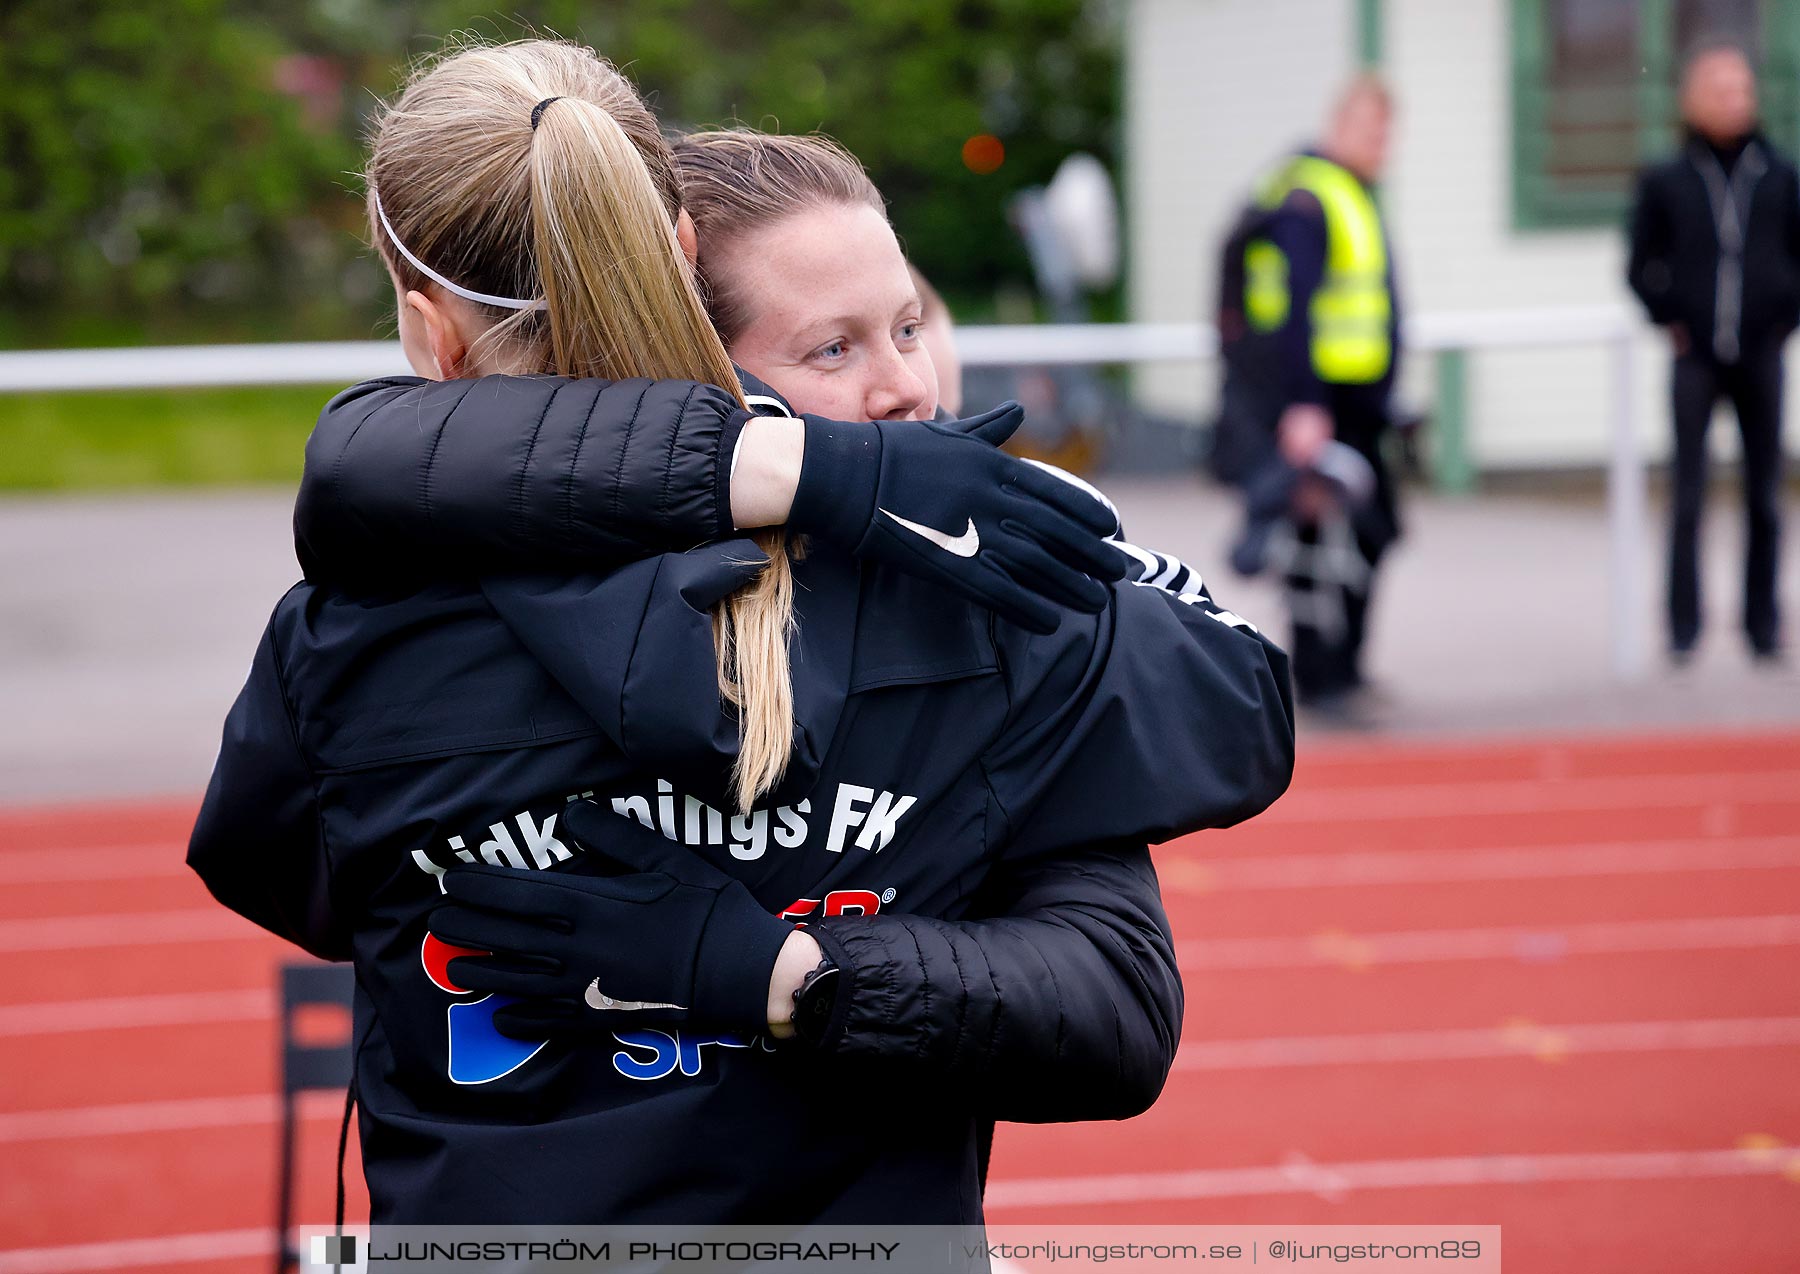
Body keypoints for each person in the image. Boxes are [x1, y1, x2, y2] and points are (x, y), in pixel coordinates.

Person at [189, 40, 1294, 1226]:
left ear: (429, 333)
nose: (909, 395)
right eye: (834, 347)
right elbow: (1232, 718)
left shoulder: (338, 642)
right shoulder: (972, 616)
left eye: (909, 323)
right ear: (676, 273)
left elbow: (286, 875)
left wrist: (760, 965)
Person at [1211, 76, 1402, 711]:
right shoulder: (1312, 196)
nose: (1383, 144)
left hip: (1351, 401)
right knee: (1328, 540)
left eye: (1387, 132)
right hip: (1323, 402)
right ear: (1340, 125)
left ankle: (1338, 670)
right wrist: (1306, 405)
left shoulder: (1337, 190)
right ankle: (1323, 678)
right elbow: (1296, 310)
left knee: (1353, 535)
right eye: (1373, 130)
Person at [1628, 42, 1797, 664]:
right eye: (1720, 90)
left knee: (1763, 495)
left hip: (1761, 355)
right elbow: (1640, 264)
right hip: (1695, 357)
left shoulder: (1780, 175)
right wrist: (1669, 317)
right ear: (1693, 99)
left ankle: (1761, 625)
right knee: (1689, 497)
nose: (1734, 101)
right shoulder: (1667, 178)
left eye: (1742, 89)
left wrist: (1783, 319)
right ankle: (1682, 628)